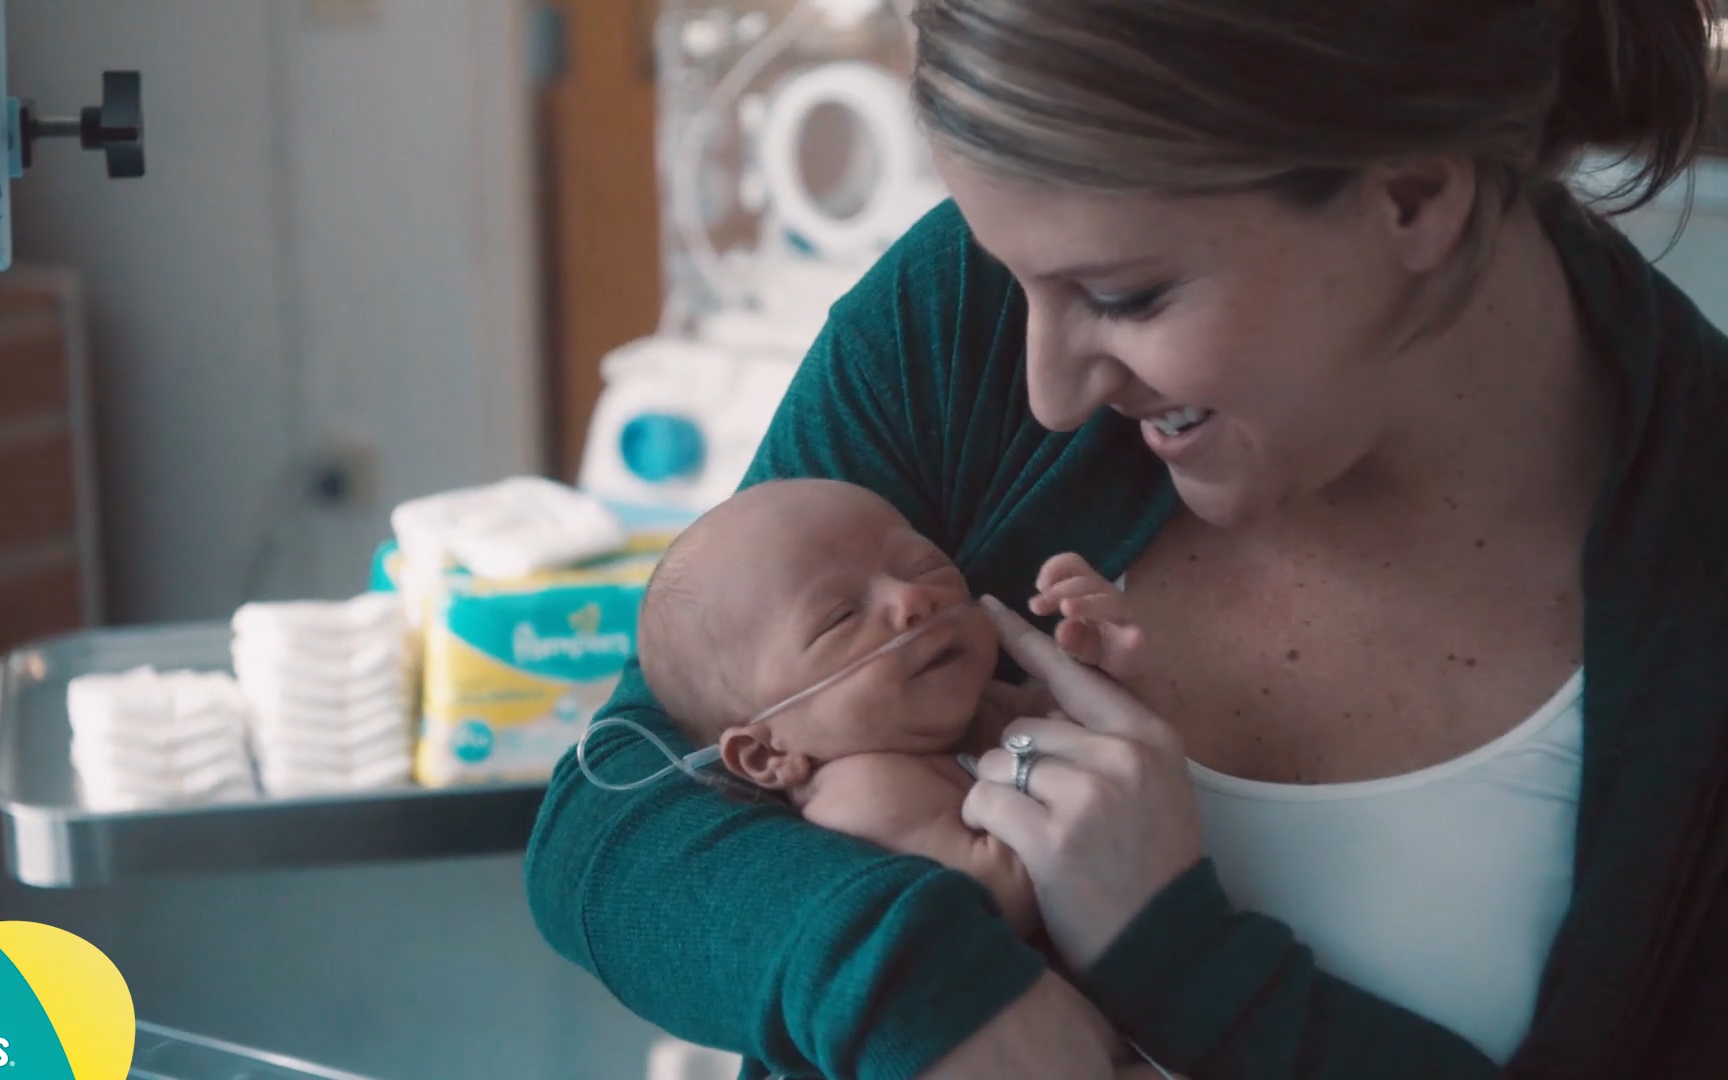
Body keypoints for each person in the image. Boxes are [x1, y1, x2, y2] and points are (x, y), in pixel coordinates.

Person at [527, 0, 1728, 1076]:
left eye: (1126, 297)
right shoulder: (963, 318)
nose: (1045, 390)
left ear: (1409, 193)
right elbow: (616, 813)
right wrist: (937, 1000)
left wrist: (1171, 953)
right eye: (1018, 279)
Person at [623, 477, 1142, 945]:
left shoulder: (969, 711)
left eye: (923, 565)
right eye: (841, 617)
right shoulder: (865, 792)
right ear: (766, 752)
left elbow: (1095, 736)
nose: (912, 596)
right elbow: (1007, 899)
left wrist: (1090, 673)